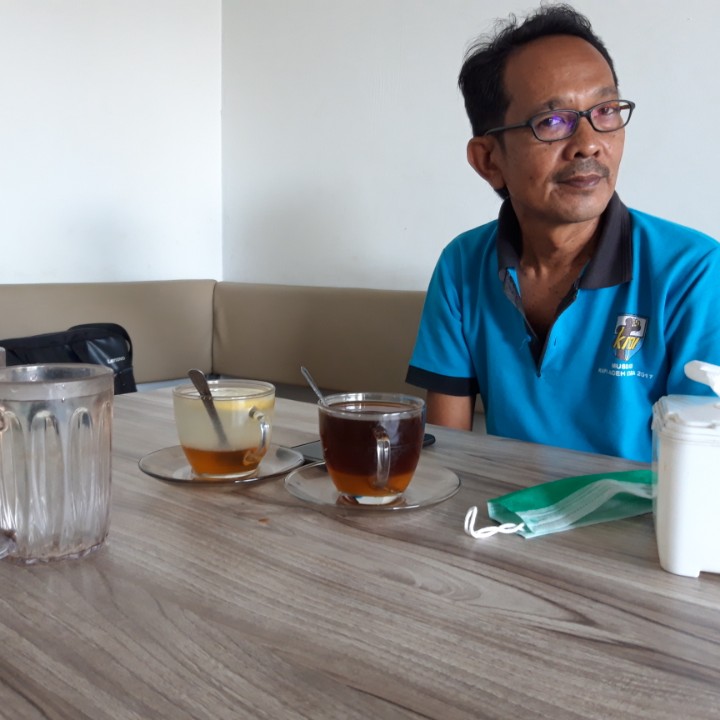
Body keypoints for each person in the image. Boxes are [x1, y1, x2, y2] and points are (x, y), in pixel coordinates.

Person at [406, 3, 720, 462]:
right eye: (552, 122)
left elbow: (703, 463)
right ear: (489, 160)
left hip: (644, 507)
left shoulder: (693, 270)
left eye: (606, 111)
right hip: (504, 504)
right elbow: (449, 452)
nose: (589, 143)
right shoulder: (463, 265)